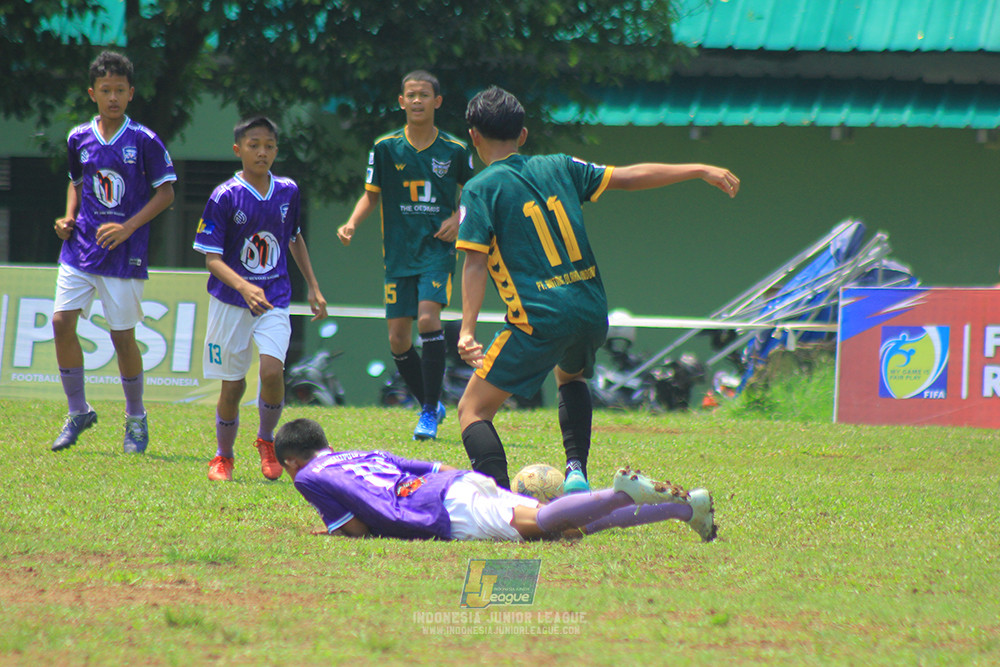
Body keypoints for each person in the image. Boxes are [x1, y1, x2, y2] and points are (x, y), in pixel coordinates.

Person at [455, 87, 740, 493]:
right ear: (522, 135)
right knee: (570, 378)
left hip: (540, 317)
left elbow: (475, 262)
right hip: (590, 309)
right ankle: (576, 472)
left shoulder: (480, 188)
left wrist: (467, 330)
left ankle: (501, 508)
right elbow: (629, 176)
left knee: (472, 410)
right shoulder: (560, 165)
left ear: (474, 136)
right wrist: (698, 169)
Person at [274, 418, 716, 542]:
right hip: (458, 484)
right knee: (567, 528)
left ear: (292, 461)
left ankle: (620, 490)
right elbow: (437, 467)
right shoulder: (362, 453)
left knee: (541, 525)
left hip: (441, 509)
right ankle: (685, 509)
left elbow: (357, 528)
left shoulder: (308, 475)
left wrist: (332, 530)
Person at [50, 51, 177, 454]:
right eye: (105, 90)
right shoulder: (77, 137)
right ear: (93, 93)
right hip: (81, 248)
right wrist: (67, 217)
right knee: (59, 322)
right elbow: (76, 181)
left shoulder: (144, 140)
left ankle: (136, 420)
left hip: (124, 254)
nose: (113, 97)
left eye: (120, 90)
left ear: (131, 93)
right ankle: (78, 411)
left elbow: (167, 192)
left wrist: (128, 228)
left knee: (122, 337)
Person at [337, 70, 474, 440]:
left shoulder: (455, 150)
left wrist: (457, 219)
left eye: (424, 95)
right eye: (410, 95)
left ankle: (429, 411)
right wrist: (351, 223)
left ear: (437, 101)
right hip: (398, 254)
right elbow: (371, 193)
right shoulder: (385, 148)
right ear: (401, 101)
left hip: (436, 250)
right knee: (398, 338)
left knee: (428, 319)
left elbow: (476, 195)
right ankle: (429, 402)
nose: (417, 101)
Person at [193, 116, 328, 482]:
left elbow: (294, 237)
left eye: (269, 145)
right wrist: (244, 287)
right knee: (232, 386)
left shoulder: (287, 190)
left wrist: (313, 286)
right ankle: (223, 456)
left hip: (274, 299)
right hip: (230, 302)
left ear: (276, 150)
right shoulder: (224, 196)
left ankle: (266, 441)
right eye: (254, 145)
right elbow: (212, 259)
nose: (262, 152)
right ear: (239, 150)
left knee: (272, 371)